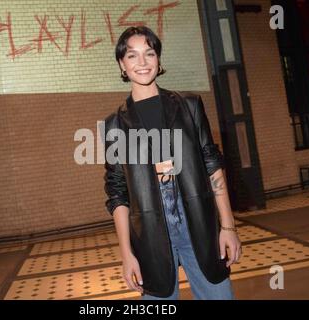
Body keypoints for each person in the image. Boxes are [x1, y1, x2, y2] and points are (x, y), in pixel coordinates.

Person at [103, 26, 241, 300]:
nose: (142, 63)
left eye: (149, 54)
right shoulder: (114, 125)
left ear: (159, 60)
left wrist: (228, 226)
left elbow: (212, 164)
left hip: (198, 222)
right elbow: (117, 193)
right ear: (122, 64)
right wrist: (127, 253)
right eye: (132, 56)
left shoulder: (189, 106)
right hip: (150, 233)